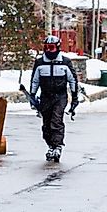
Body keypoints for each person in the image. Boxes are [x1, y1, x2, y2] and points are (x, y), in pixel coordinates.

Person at [29, 34, 79, 162]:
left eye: (51, 48)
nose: (49, 51)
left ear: (57, 47)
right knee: (46, 123)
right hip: (45, 96)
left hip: (60, 96)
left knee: (56, 121)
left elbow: (72, 80)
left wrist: (74, 98)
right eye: (46, 48)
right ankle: (50, 145)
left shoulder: (65, 62)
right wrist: (32, 95)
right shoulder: (40, 63)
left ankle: (57, 145)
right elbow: (35, 80)